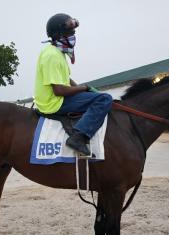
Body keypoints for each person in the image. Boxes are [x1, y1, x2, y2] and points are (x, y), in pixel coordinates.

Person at [33, 13, 112, 156]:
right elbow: (58, 90)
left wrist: (84, 91)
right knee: (105, 99)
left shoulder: (58, 53)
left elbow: (67, 80)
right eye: (70, 33)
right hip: (53, 102)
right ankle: (79, 137)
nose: (73, 36)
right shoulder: (52, 55)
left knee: (96, 96)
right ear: (58, 35)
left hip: (58, 98)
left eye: (73, 33)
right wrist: (84, 88)